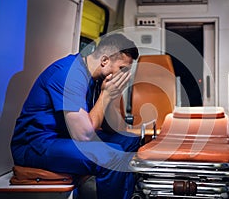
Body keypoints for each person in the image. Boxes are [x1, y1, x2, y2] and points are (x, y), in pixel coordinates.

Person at [10, 33, 140, 199]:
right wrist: (105, 96)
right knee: (112, 157)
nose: (124, 76)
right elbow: (84, 135)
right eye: (122, 69)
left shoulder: (98, 78)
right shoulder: (69, 74)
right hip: (36, 145)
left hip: (65, 137)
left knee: (128, 140)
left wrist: (112, 97)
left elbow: (114, 128)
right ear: (105, 60)